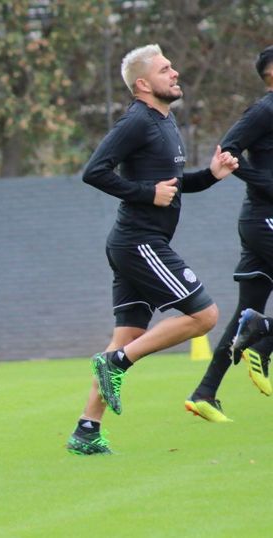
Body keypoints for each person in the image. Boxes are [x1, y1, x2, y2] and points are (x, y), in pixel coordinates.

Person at [65, 44, 239, 456]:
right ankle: (117, 363)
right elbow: (94, 172)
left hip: (135, 243)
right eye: (165, 69)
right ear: (143, 84)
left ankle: (87, 430)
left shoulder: (166, 120)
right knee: (204, 315)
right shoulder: (137, 122)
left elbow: (172, 187)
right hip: (139, 242)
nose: (174, 72)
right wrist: (146, 193)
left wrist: (210, 177)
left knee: (127, 335)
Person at [185, 46, 273, 422]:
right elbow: (227, 151)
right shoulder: (264, 110)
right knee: (253, 321)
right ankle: (264, 336)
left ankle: (205, 392)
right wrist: (266, 184)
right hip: (265, 219)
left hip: (261, 221)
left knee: (244, 312)